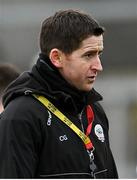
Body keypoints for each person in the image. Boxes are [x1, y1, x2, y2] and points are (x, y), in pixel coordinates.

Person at [0, 10, 118, 178]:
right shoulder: (20, 117)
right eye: (89, 55)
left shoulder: (93, 109)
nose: (98, 66)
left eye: (99, 54)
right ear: (57, 58)